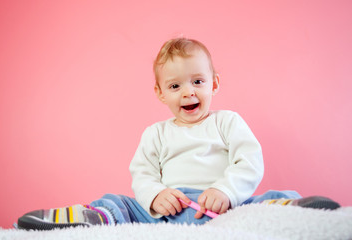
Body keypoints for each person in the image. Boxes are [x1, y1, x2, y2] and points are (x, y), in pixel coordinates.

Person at [17, 37, 340, 230]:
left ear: (214, 83)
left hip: (221, 205)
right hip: (168, 209)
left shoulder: (227, 122)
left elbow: (249, 161)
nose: (188, 92)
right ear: (160, 93)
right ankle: (92, 216)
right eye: (175, 86)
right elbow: (142, 173)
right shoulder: (155, 134)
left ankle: (288, 209)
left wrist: (226, 190)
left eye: (197, 82)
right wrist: (157, 195)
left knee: (264, 200)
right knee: (121, 202)